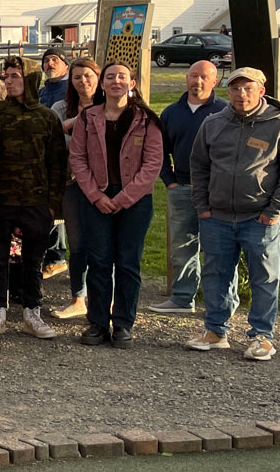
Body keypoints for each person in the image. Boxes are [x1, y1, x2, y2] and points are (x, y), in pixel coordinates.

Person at [186, 67, 280, 362]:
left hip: (260, 217)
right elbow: (199, 165)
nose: (241, 94)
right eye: (235, 88)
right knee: (216, 275)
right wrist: (202, 206)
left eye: (248, 88)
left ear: (261, 90)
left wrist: (274, 210)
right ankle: (215, 332)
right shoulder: (213, 123)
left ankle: (261, 336)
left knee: (264, 278)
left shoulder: (277, 124)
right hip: (217, 217)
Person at [69, 63, 163, 348]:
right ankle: (97, 323)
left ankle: (123, 323)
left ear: (132, 82)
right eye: (110, 76)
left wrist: (122, 198)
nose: (116, 81)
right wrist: (97, 195)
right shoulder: (88, 117)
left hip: (134, 201)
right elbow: (77, 159)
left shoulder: (146, 119)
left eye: (122, 76)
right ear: (102, 83)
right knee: (98, 262)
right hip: (95, 198)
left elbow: (152, 164)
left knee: (127, 263)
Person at [0, 56, 67, 342]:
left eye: (16, 75)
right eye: (7, 76)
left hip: (37, 200)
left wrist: (53, 203)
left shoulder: (47, 116)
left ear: (29, 78)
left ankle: (32, 311)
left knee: (34, 259)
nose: (10, 81)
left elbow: (57, 162)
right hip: (1, 199)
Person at [152, 61, 226, 313]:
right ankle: (183, 299)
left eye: (205, 77)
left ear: (214, 81)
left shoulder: (224, 112)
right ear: (186, 78)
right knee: (182, 247)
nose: (198, 81)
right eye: (194, 76)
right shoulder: (171, 113)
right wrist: (169, 180)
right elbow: (159, 150)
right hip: (181, 187)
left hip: (216, 192)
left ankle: (220, 304)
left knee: (218, 249)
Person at [47, 58, 99, 318]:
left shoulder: (108, 106)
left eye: (88, 75)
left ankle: (103, 300)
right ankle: (78, 298)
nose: (83, 81)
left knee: (102, 244)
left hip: (104, 185)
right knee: (78, 245)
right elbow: (53, 139)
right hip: (72, 183)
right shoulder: (61, 107)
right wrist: (74, 121)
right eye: (77, 77)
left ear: (98, 77)